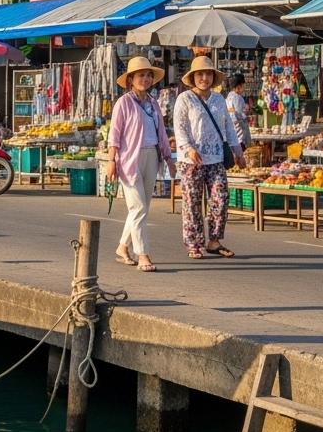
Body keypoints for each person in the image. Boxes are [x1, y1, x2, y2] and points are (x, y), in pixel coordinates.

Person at [103, 56, 176, 273]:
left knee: (142, 207)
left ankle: (122, 247)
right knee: (138, 206)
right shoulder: (123, 103)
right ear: (131, 79)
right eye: (140, 75)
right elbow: (114, 134)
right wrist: (111, 160)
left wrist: (169, 158)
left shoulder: (153, 103)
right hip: (129, 159)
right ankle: (142, 253)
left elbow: (161, 133)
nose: (145, 79)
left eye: (148, 75)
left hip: (152, 157)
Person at [175, 56, 245, 260]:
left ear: (213, 77)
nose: (204, 78)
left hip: (215, 158)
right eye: (200, 74)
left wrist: (238, 152)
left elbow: (228, 127)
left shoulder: (219, 99)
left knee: (220, 198)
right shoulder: (185, 99)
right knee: (192, 202)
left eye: (207, 74)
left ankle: (214, 240)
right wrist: (188, 149)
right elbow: (179, 127)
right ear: (193, 77)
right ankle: (194, 243)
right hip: (192, 161)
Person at [224, 72, 251, 149]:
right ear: (239, 86)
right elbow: (238, 115)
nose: (244, 88)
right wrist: (246, 115)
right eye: (243, 86)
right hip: (239, 134)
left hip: (232, 132)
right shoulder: (238, 98)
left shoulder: (229, 97)